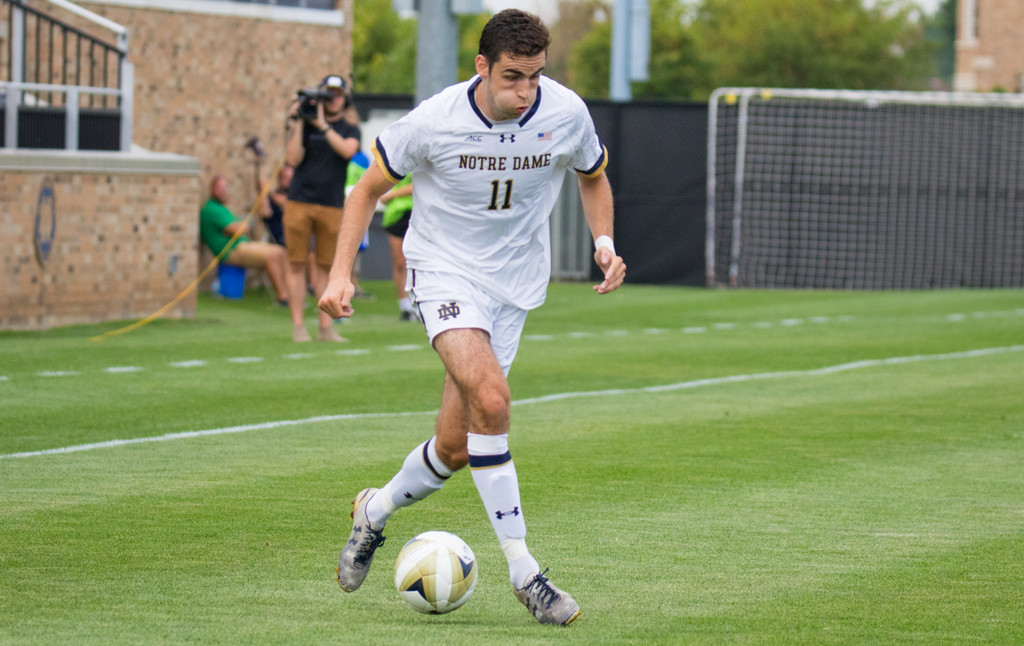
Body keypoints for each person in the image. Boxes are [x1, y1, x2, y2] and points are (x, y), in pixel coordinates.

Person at [318, 9, 625, 626]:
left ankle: (372, 513)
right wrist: (340, 272)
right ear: (481, 67)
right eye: (512, 77)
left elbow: (593, 177)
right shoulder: (433, 121)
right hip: (443, 272)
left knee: (457, 448)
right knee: (493, 396)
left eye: (535, 78)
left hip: (513, 289)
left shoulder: (566, 112)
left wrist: (604, 242)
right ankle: (525, 573)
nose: (525, 92)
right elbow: (364, 190)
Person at [284, 74, 361, 342]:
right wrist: (297, 122)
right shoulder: (305, 124)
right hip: (299, 201)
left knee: (325, 267)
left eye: (338, 94)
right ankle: (297, 326)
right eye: (328, 94)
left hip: (331, 204)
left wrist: (323, 125)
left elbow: (348, 152)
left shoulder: (349, 128)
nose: (333, 99)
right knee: (296, 263)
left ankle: (325, 328)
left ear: (345, 98)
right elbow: (292, 158)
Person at [199, 174, 288, 304]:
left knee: (281, 251)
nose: (223, 190)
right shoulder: (211, 209)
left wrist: (241, 225)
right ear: (212, 189)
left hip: (242, 245)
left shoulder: (223, 208)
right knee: (273, 255)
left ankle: (290, 292)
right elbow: (237, 229)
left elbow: (237, 227)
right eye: (219, 187)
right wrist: (242, 225)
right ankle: (283, 297)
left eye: (225, 187)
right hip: (230, 251)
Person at [378, 174, 417, 321]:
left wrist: (393, 194)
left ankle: (420, 304)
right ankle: (405, 307)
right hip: (396, 215)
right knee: (400, 262)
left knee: (419, 261)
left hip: (418, 213)